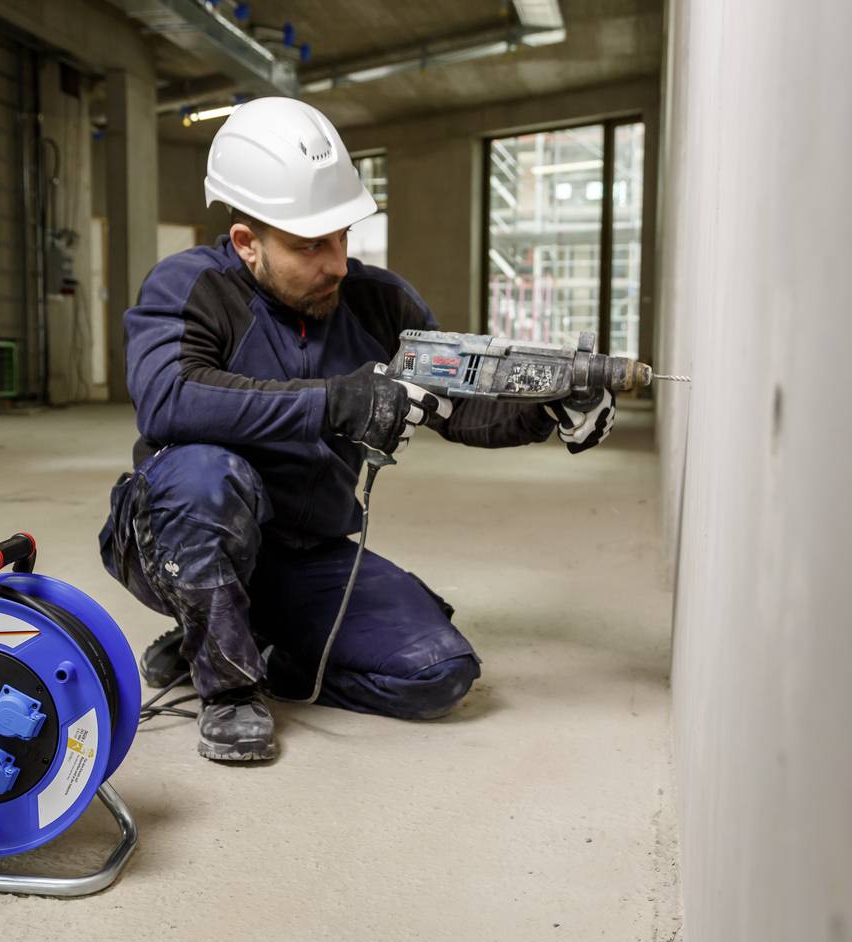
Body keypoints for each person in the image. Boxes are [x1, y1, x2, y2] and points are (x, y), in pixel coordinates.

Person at [98, 97, 615, 762]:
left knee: (437, 673)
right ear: (247, 243)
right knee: (206, 477)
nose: (336, 263)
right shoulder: (188, 286)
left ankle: (245, 640)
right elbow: (169, 397)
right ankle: (226, 691)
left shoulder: (380, 302)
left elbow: (455, 405)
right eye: (310, 245)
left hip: (307, 551)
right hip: (175, 531)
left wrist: (549, 407)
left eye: (341, 236)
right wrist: (334, 402)